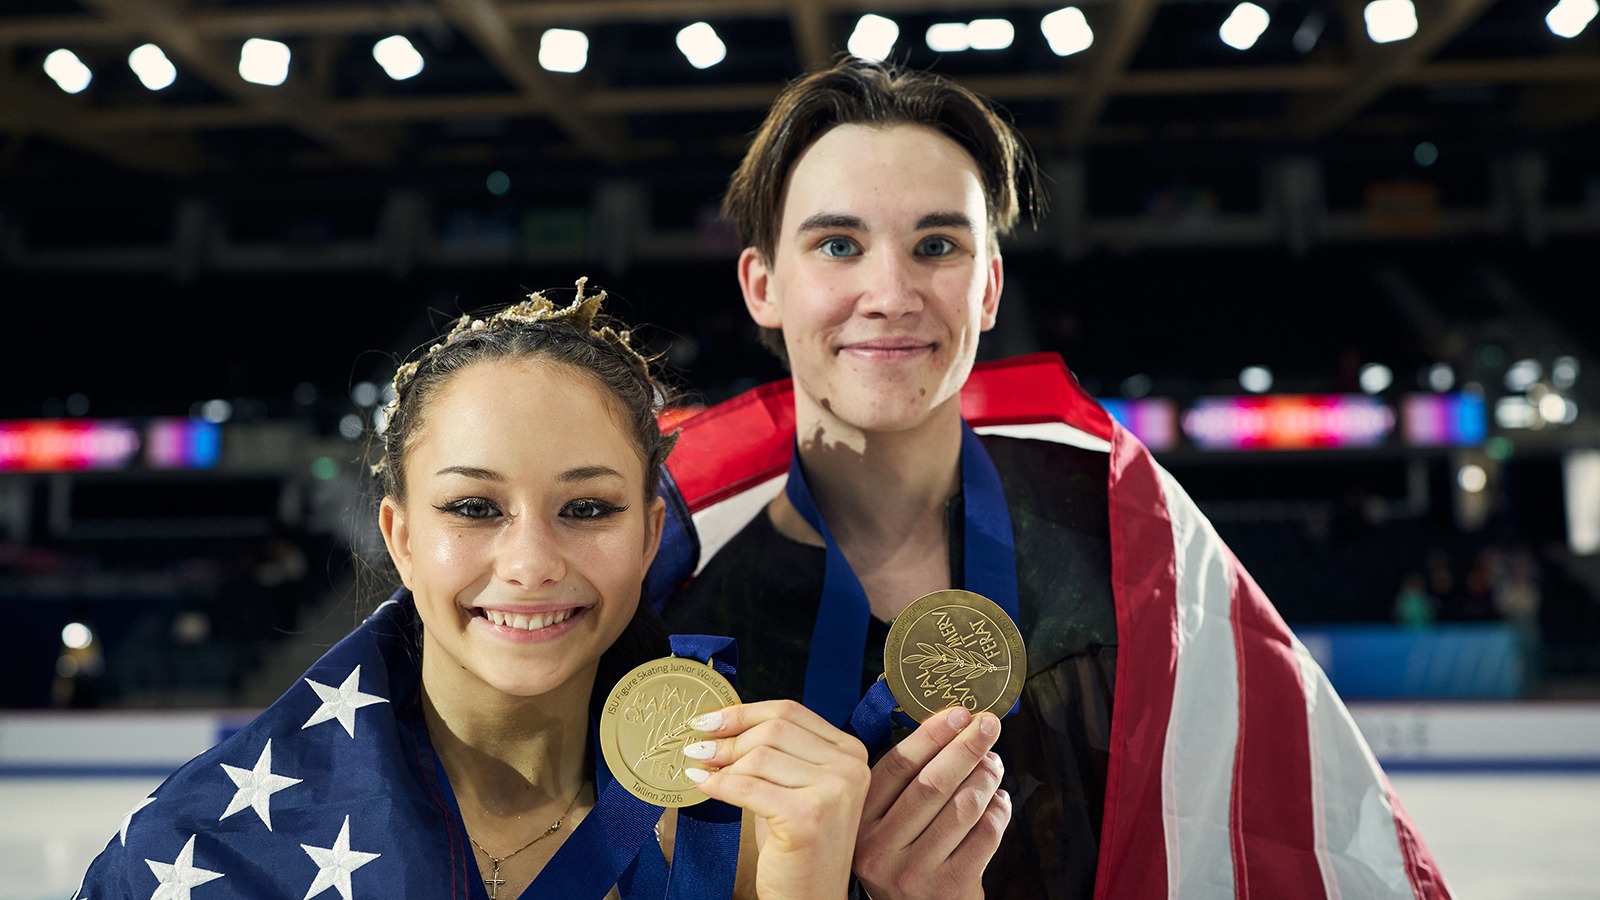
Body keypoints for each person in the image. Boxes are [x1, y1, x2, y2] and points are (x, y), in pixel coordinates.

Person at [650, 58, 1451, 898]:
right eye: (839, 245)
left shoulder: (1128, 553)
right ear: (763, 285)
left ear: (989, 286)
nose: (889, 292)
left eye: (937, 245)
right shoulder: (681, 606)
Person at [76, 282, 869, 899]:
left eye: (587, 508)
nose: (531, 563)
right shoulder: (206, 854)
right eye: (474, 508)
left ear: (651, 534)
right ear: (402, 537)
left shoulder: (748, 838)